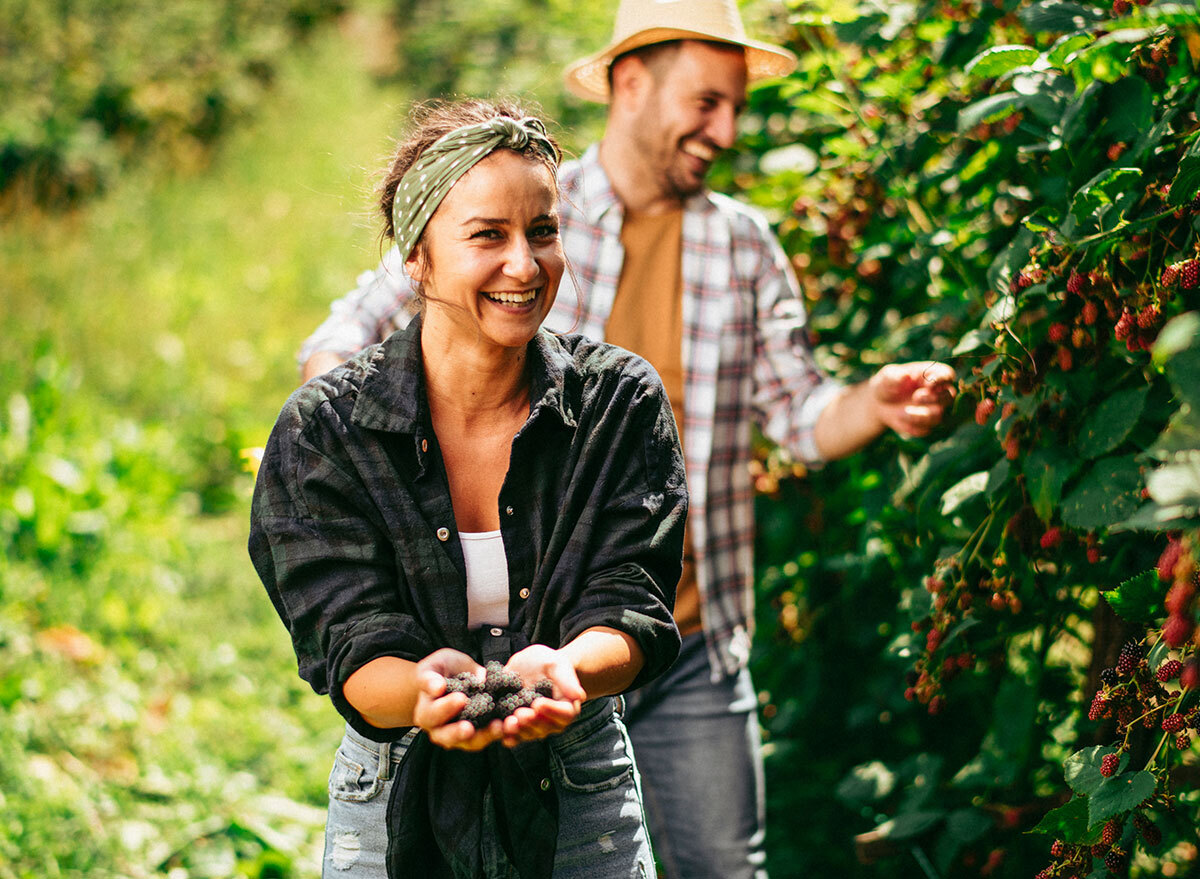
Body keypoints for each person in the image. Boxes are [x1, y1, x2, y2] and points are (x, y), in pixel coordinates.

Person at [297, 2, 957, 876]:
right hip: (521, 632)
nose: (724, 128)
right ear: (631, 81)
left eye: (734, 106)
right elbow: (345, 341)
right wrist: (350, 452)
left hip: (684, 636)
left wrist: (872, 402)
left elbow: (799, 418)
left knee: (723, 864)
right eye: (706, 101)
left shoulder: (743, 247)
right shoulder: (517, 201)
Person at [250, 100, 689, 879]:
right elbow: (350, 637)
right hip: (394, 783)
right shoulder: (326, 432)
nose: (524, 264)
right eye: (489, 234)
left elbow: (631, 600)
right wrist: (424, 692)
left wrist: (568, 669)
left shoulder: (619, 404)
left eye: (543, 232)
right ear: (415, 258)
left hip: (580, 782)